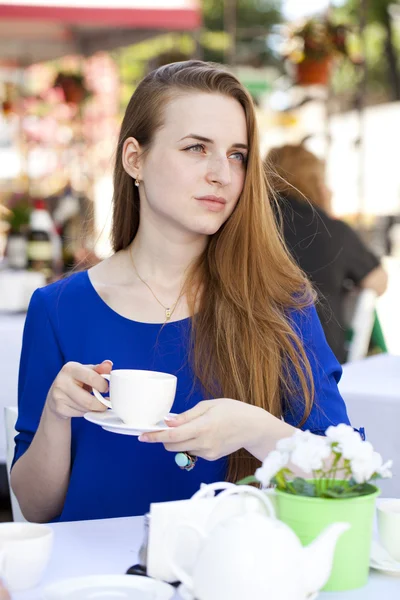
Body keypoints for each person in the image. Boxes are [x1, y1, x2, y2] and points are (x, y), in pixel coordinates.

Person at [11, 61, 351, 524]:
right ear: (135, 159)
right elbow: (35, 509)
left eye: (237, 155)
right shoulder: (57, 309)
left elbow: (345, 473)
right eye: (196, 148)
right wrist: (55, 413)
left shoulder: (279, 303)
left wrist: (256, 429)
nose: (222, 174)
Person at [266, 144, 388, 364]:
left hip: (253, 358)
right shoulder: (331, 231)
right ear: (314, 183)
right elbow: (379, 282)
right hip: (320, 362)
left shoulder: (250, 225)